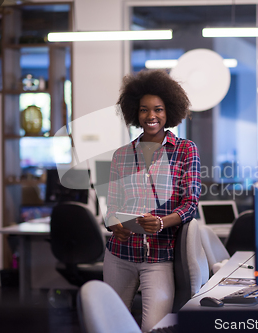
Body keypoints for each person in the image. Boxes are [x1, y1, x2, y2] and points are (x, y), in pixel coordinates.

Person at [103, 69, 201, 331]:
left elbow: (190, 203)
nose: (151, 116)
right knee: (112, 326)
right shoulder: (121, 155)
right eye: (144, 110)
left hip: (159, 257)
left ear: (168, 111)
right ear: (135, 112)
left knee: (153, 328)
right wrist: (115, 224)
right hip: (120, 254)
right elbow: (112, 206)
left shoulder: (185, 149)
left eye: (157, 109)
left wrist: (161, 222)